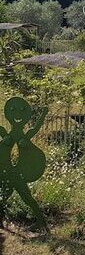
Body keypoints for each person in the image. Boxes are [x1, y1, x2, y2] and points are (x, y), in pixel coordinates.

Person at [0, 96, 47, 229]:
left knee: (27, 198)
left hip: (19, 174)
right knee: (4, 197)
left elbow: (36, 127)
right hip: (7, 172)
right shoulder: (4, 133)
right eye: (13, 110)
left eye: (22, 110)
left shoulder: (26, 135)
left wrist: (43, 114)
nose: (18, 114)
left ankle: (41, 223)